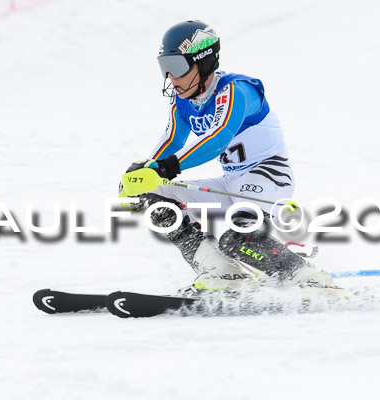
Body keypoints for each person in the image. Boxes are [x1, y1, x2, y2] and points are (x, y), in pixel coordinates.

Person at [120, 20, 338, 294]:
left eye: (177, 68)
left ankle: (307, 277)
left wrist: (163, 168)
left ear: (205, 62)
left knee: (240, 240)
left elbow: (218, 138)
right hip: (232, 182)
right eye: (166, 68)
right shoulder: (184, 99)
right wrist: (141, 173)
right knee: (153, 197)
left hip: (268, 176)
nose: (171, 78)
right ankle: (223, 273)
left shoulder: (236, 90)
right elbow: (172, 139)